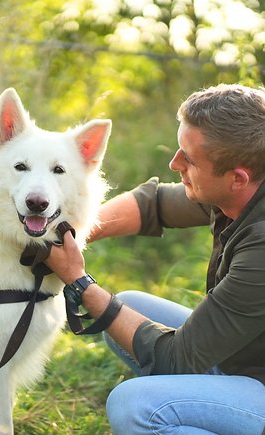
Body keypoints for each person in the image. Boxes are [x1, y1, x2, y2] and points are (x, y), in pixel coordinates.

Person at [46, 83, 265, 434]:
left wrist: (81, 283)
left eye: (188, 160)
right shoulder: (244, 186)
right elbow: (154, 205)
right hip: (244, 360)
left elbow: (177, 360)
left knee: (135, 406)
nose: (173, 163)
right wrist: (69, 231)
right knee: (130, 308)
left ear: (237, 178)